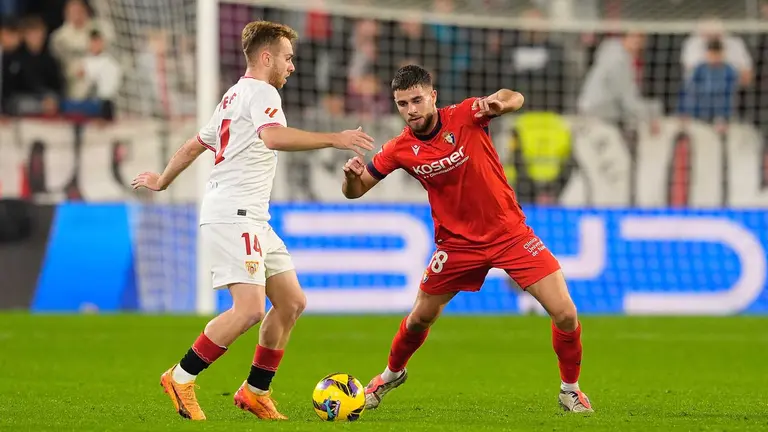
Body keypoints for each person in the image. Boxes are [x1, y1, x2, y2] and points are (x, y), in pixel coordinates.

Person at [131, 20, 374, 421]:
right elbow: (273, 138)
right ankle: (180, 376)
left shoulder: (233, 96)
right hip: (233, 214)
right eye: (287, 58)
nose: (291, 66)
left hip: (253, 216)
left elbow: (195, 145)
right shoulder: (262, 92)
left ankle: (255, 391)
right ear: (267, 57)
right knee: (248, 309)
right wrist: (335, 137)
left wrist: (161, 179)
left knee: (292, 302)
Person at [340, 65, 593, 413]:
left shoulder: (466, 114)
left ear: (433, 96)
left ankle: (570, 389)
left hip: (509, 233)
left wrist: (500, 105)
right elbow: (356, 191)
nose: (411, 110)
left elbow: (512, 96)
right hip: (456, 245)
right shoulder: (399, 148)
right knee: (418, 319)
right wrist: (351, 178)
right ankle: (390, 374)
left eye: (417, 100)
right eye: (402, 104)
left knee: (565, 313)